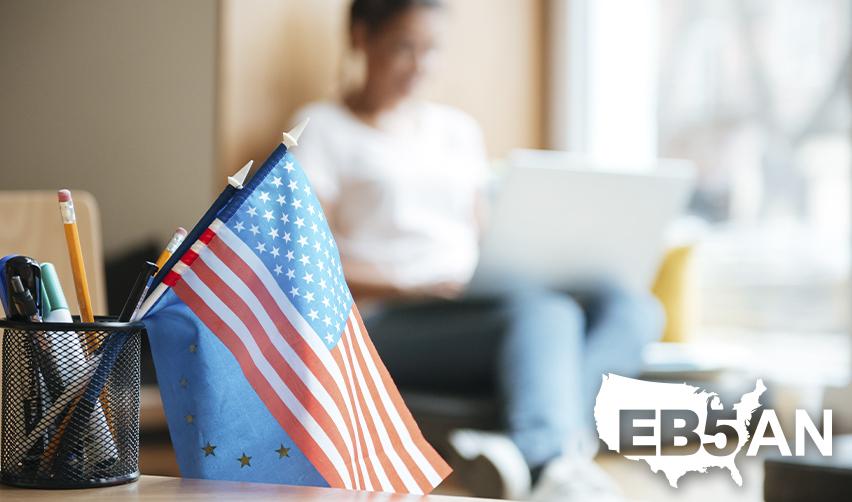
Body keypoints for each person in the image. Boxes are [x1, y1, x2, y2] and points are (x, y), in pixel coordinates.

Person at [292, 0, 664, 499]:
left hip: (472, 301)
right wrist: (409, 284)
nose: (420, 66)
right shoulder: (322, 128)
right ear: (361, 37)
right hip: (384, 318)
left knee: (634, 306)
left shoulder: (457, 131)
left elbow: (484, 236)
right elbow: (303, 263)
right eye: (404, 48)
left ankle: (528, 451)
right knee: (546, 316)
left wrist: (529, 260)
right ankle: (550, 457)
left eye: (432, 50)